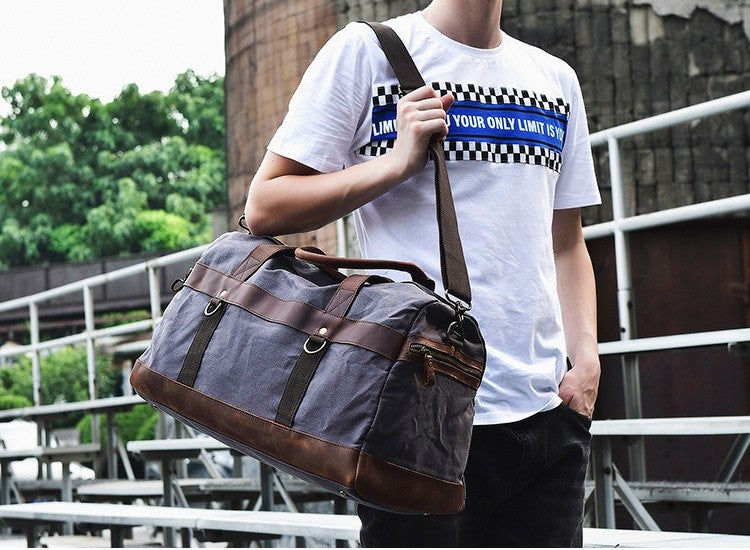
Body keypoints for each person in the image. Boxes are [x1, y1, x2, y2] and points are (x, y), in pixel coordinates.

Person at [244, 0, 601, 546]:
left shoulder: (554, 79)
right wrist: (394, 163)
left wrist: (587, 360)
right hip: (417, 417)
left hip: (546, 418)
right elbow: (266, 206)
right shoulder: (368, 53)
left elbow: (567, 244)